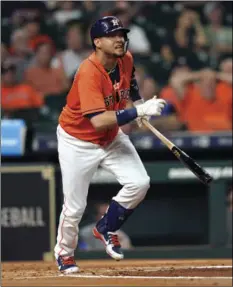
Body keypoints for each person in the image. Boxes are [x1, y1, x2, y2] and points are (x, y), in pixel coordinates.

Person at [54, 16, 166, 274]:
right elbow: (98, 121)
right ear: (97, 42)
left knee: (139, 182)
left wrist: (138, 103)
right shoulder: (87, 71)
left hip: (111, 137)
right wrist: (136, 114)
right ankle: (65, 253)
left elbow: (131, 81)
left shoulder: (125, 58)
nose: (120, 39)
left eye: (121, 34)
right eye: (113, 35)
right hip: (77, 141)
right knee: (75, 206)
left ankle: (105, 227)